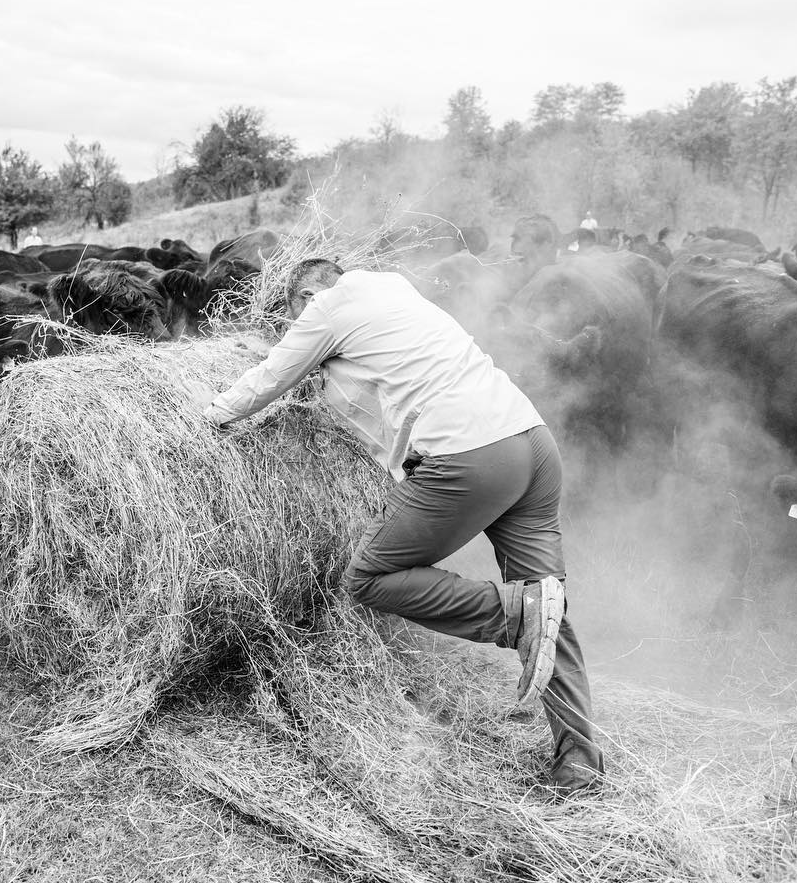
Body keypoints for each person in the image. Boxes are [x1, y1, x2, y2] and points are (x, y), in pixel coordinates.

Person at [199, 258, 604, 796]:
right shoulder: (394, 290)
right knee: (547, 600)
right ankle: (579, 757)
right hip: (531, 439)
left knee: (371, 576)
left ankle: (509, 618)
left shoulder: (328, 306)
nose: (294, 324)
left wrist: (201, 419)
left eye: (292, 311)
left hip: (470, 454)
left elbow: (269, 378)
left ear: (305, 295)